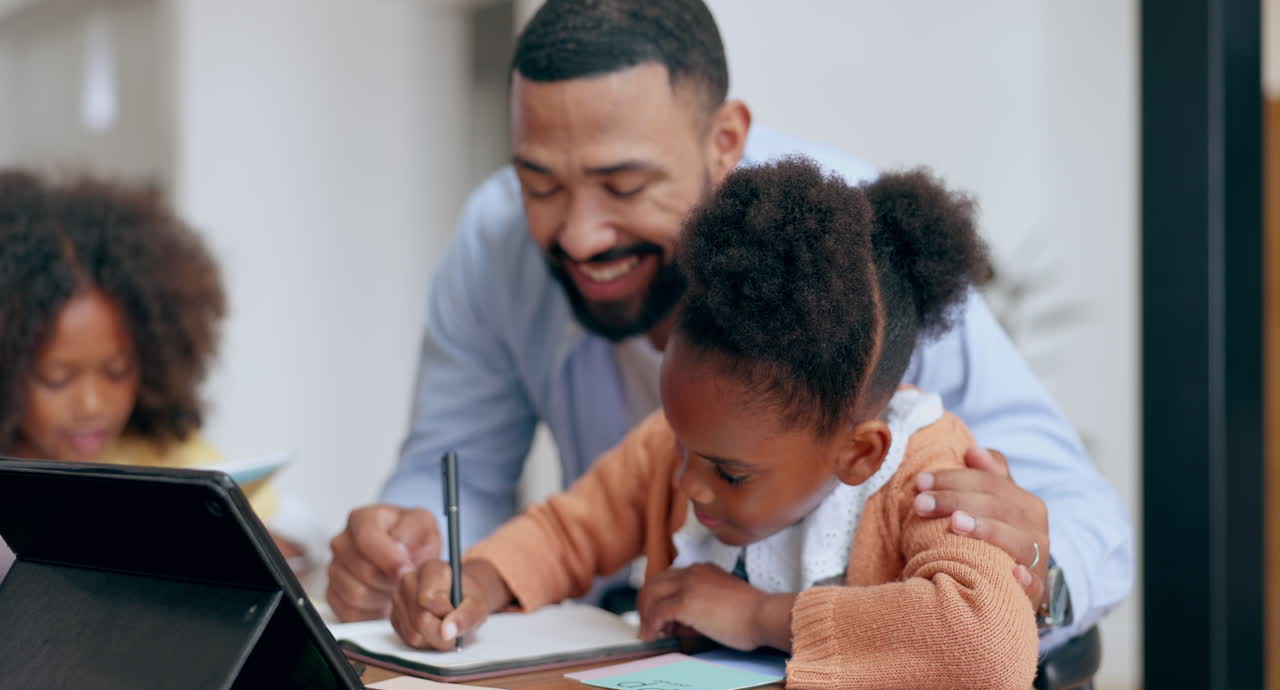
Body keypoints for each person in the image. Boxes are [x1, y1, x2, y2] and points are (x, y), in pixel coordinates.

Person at [327, 0, 1131, 652]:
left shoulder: (855, 271)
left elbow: (1077, 526)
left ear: (726, 144)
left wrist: (1039, 573)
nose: (578, 234)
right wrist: (422, 555)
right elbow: (520, 500)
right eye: (538, 182)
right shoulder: (497, 242)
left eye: (624, 183)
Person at [389, 159, 1037, 690]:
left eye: (729, 473)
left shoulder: (926, 471)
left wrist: (757, 616)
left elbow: (987, 640)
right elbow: (566, 531)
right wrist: (478, 580)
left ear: (859, 454)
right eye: (682, 446)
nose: (689, 485)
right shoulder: (686, 445)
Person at [0, 170, 298, 569]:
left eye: (117, 371)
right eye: (57, 378)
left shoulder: (167, 456)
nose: (92, 404)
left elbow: (286, 533)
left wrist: (270, 545)